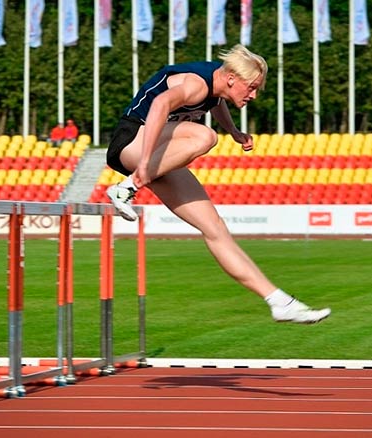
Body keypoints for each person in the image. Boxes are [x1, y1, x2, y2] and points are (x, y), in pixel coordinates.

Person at [105, 45, 331, 325]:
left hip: (155, 156)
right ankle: (129, 185)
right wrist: (144, 164)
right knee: (204, 137)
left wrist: (234, 131)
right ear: (232, 78)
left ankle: (278, 301)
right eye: (251, 87)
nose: (254, 95)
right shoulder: (196, 84)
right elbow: (161, 105)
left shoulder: (216, 88)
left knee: (215, 228)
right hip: (131, 141)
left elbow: (217, 103)